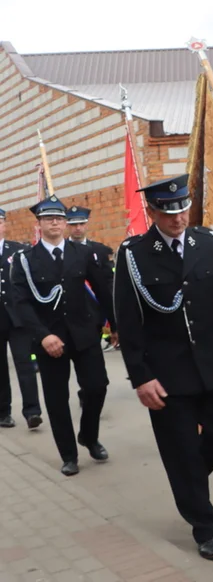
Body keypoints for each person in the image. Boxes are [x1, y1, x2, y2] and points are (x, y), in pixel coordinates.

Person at [113, 175, 213, 560]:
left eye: (183, 209)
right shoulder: (134, 254)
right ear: (153, 213)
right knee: (182, 452)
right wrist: (141, 377)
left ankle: (187, 483)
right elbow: (127, 321)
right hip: (166, 374)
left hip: (209, 367)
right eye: (169, 212)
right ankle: (205, 527)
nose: (178, 219)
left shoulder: (206, 243)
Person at [7, 195, 114, 476]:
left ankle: (89, 436)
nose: (55, 222)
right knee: (56, 399)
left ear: (66, 223)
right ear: (39, 224)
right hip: (49, 340)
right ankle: (68, 454)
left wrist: (116, 325)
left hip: (84, 334)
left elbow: (103, 289)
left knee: (97, 387)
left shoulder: (83, 253)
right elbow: (20, 302)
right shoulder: (25, 260)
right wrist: (42, 336)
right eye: (48, 218)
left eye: (59, 218)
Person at [0, 209, 40, 430]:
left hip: (18, 319)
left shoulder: (19, 251)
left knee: (25, 365)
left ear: (4, 225)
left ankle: (32, 411)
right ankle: (3, 412)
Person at [65, 206, 115, 351]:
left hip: (95, 311)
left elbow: (108, 281)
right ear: (67, 226)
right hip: (71, 313)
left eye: (81, 224)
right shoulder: (61, 250)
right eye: (74, 224)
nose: (78, 228)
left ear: (87, 225)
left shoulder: (99, 250)